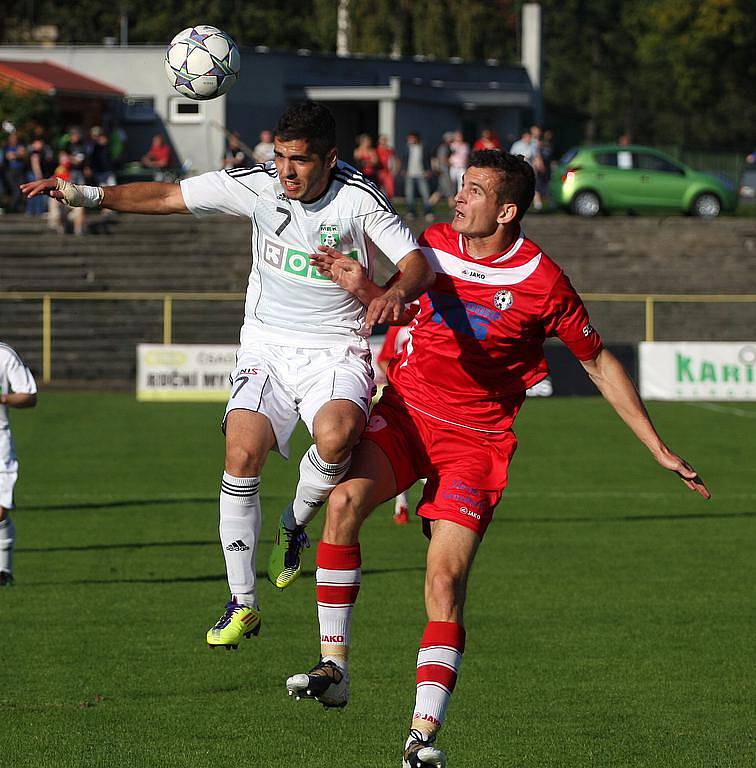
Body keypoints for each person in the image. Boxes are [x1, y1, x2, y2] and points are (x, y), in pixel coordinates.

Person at [284, 149, 710, 767]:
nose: (459, 197)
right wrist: (369, 287)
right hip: (407, 413)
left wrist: (659, 447)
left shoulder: (544, 281)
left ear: (507, 210)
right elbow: (399, 296)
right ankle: (334, 665)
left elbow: (596, 362)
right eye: (461, 185)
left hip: (477, 442)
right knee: (343, 502)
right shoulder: (429, 245)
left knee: (444, 581)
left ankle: (421, 738)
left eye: (475, 190)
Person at [21, 101, 433, 649]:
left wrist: (395, 293)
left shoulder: (359, 199)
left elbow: (417, 261)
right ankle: (242, 603)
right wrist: (85, 195)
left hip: (334, 349)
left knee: (336, 439)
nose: (287, 171)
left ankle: (293, 524)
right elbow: (170, 195)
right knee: (241, 453)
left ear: (330, 159)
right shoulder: (257, 184)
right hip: (266, 345)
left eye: (301, 160)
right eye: (281, 157)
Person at [0, 342, 38, 587]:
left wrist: (3, 397)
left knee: (0, 512)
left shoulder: (5, 355)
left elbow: (29, 396)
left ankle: (3, 570)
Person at [375, 325, 413, 525]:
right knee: (403, 452)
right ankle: (401, 506)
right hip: (403, 397)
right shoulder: (398, 327)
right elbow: (383, 358)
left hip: (431, 397)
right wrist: (398, 379)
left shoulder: (436, 319)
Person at [401, 132, 433, 221]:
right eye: (409, 138)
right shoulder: (406, 148)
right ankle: (411, 212)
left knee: (425, 194)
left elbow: (427, 159)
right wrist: (403, 169)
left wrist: (428, 170)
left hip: (421, 174)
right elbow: (403, 159)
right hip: (410, 174)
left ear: (416, 138)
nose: (410, 140)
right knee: (409, 195)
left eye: (412, 138)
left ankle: (428, 212)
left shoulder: (423, 147)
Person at [376, 134, 397, 200]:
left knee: (390, 190)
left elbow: (395, 160)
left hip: (388, 172)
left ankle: (389, 203)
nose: (383, 141)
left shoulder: (390, 150)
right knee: (378, 188)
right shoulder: (376, 150)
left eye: (385, 140)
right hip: (379, 171)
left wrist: (395, 170)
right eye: (382, 140)